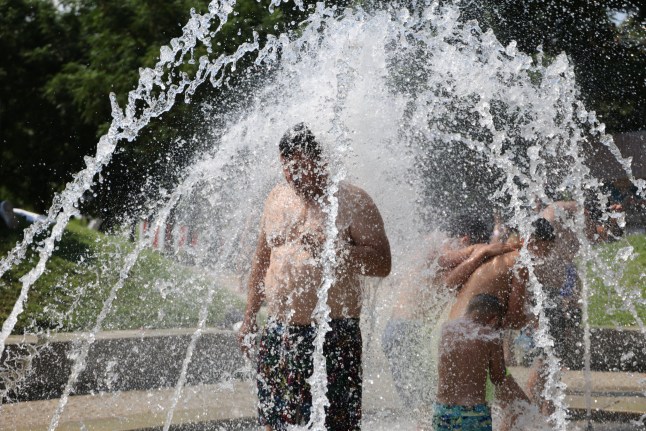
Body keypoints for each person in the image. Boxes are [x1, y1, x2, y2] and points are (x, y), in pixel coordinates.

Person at [237, 123, 392, 431]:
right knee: (274, 421)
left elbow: (382, 263)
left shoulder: (352, 201)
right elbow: (262, 260)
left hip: (333, 334)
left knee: (335, 424)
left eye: (302, 167)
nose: (295, 176)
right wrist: (250, 316)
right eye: (288, 168)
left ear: (321, 161)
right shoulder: (276, 199)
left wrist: (335, 250)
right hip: (279, 331)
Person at [382, 216, 517, 429]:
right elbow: (460, 259)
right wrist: (482, 252)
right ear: (463, 239)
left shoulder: (435, 259)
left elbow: (448, 284)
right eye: (469, 247)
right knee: (424, 409)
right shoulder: (436, 248)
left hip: (404, 331)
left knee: (423, 409)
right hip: (406, 332)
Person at [434, 294, 529, 431]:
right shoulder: (489, 336)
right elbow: (498, 378)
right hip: (473, 412)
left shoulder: (446, 330)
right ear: (493, 318)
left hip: (443, 410)